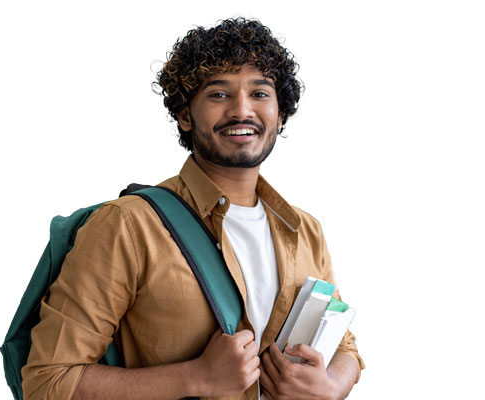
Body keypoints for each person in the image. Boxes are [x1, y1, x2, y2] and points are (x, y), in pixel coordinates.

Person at [22, 17, 364, 400]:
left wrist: (331, 385)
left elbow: (344, 347)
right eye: (218, 94)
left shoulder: (304, 230)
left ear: (280, 114)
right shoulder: (128, 226)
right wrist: (195, 377)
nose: (241, 110)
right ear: (186, 115)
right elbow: (48, 382)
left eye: (260, 93)